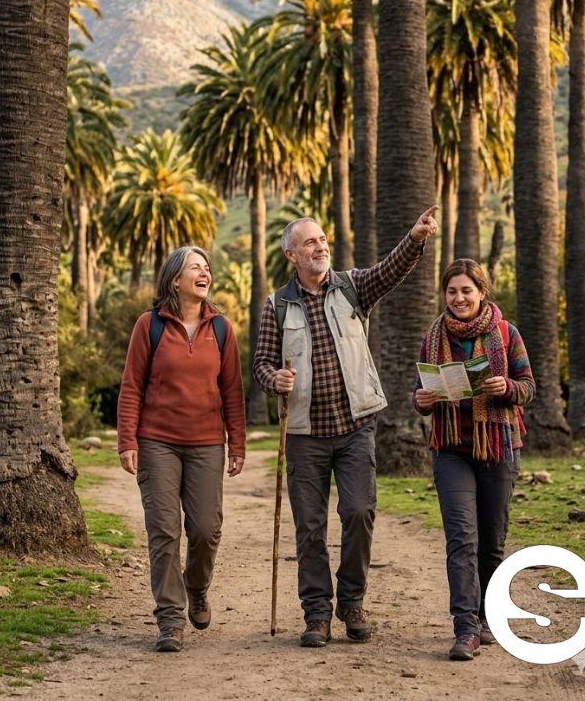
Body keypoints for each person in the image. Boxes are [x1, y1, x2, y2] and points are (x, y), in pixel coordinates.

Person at [253, 208, 438, 648]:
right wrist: (273, 379)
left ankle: (351, 600)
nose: (320, 247)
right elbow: (260, 363)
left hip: (355, 427)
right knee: (310, 527)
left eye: (322, 239)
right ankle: (316, 613)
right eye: (310, 243)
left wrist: (414, 237)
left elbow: (390, 271)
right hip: (303, 433)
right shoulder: (276, 305)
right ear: (291, 254)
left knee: (358, 511)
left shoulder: (352, 287)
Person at [117, 245, 246, 653]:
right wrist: (127, 440)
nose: (204, 272)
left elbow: (232, 391)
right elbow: (132, 385)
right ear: (175, 279)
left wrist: (237, 443)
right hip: (157, 442)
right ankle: (170, 619)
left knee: (206, 529)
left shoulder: (222, 329)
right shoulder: (149, 325)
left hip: (207, 442)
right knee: (164, 530)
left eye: (207, 267)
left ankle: (197, 586)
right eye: (196, 267)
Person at [413, 258, 535, 661]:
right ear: (444, 295)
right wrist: (422, 400)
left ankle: (487, 618)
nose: (459, 298)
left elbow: (528, 387)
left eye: (467, 290)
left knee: (491, 542)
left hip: (498, 445)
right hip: (451, 450)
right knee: (461, 538)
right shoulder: (432, 338)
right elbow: (420, 395)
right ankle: (465, 628)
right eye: (452, 291)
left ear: (482, 292)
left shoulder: (507, 333)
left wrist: (507, 387)